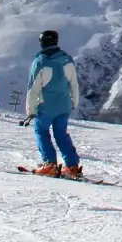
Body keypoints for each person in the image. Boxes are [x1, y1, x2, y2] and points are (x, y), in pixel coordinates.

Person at [25, 30, 82, 177]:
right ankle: (72, 166)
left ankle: (49, 164)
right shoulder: (67, 60)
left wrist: (30, 110)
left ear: (42, 43)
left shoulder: (39, 62)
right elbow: (74, 84)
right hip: (64, 105)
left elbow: (33, 89)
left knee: (41, 130)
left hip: (46, 106)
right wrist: (74, 102)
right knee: (61, 134)